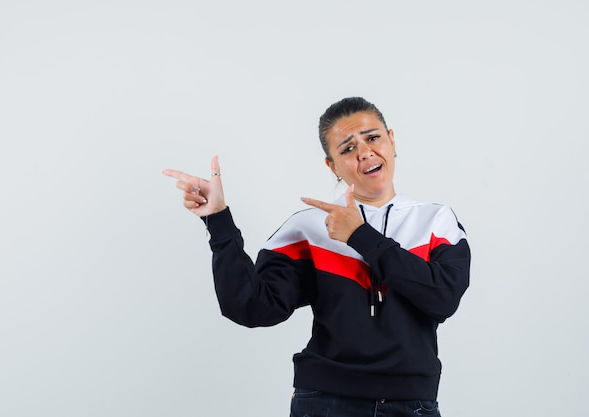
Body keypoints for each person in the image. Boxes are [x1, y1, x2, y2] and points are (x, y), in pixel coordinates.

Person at [163, 97, 470, 417]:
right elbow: (250, 307)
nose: (365, 151)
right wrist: (219, 221)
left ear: (392, 139)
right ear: (332, 165)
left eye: (373, 137)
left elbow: (443, 298)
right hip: (326, 401)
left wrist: (358, 236)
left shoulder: (437, 221)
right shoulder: (309, 227)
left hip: (413, 404)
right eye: (348, 148)